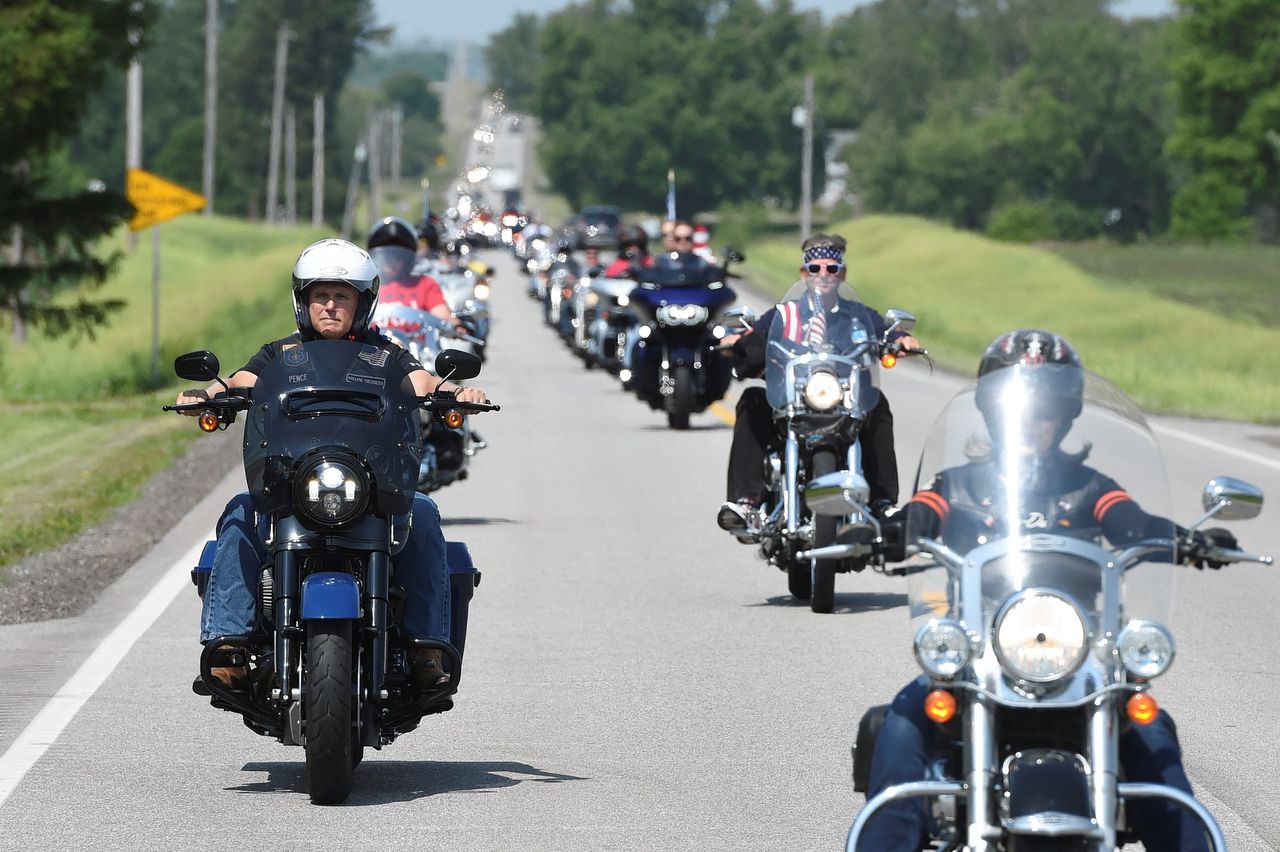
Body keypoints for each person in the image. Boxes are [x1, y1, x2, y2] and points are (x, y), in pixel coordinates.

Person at [859, 328, 1238, 852]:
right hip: (980, 650)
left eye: (1049, 408)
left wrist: (1190, 539)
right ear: (992, 412)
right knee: (904, 724)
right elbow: (919, 517)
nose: (1035, 422)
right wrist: (880, 532)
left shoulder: (1091, 487)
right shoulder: (955, 485)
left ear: (1068, 414)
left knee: (1153, 735)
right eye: (1023, 409)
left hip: (1078, 656)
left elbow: (1133, 524)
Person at [175, 238, 490, 695]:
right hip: (292, 482)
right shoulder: (278, 356)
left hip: (371, 484)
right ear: (302, 301)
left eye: (342, 296)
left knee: (422, 514)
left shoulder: (388, 356)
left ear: (362, 303)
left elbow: (422, 380)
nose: (329, 306)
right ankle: (229, 645)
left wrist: (456, 394)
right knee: (240, 514)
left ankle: (428, 647)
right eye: (320, 295)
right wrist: (209, 398)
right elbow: (241, 383)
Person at [717, 233, 919, 537]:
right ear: (803, 274)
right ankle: (746, 504)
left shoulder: (857, 315)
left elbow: (887, 333)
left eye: (832, 268)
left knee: (877, 403)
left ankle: (883, 504)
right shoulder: (783, 315)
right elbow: (758, 337)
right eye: (815, 268)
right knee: (752, 400)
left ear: (842, 274)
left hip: (844, 402)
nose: (823, 275)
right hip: (791, 403)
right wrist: (738, 343)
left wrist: (901, 339)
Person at [367, 216, 464, 331]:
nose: (390, 262)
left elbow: (442, 316)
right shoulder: (367, 288)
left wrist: (457, 326)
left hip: (417, 347)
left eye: (397, 256)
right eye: (385, 256)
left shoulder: (425, 284)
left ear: (407, 259)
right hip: (373, 348)